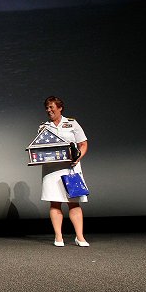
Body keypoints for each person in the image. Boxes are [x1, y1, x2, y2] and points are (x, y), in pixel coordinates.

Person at [39, 95, 90, 247]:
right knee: (55, 203)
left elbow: (83, 144)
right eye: (47, 108)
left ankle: (80, 237)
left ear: (60, 108)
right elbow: (40, 148)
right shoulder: (43, 127)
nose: (49, 110)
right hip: (51, 170)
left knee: (73, 203)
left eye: (51, 107)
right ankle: (58, 237)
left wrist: (78, 157)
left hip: (70, 169)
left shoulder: (72, 123)